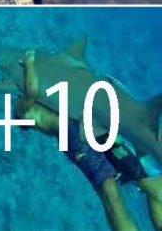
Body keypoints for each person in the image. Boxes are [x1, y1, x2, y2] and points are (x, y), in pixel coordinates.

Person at [16, 50, 162, 231]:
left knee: (156, 187)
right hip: (77, 140)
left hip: (98, 130)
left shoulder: (49, 94)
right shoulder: (22, 110)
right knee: (111, 195)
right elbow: (32, 92)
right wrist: (29, 63)